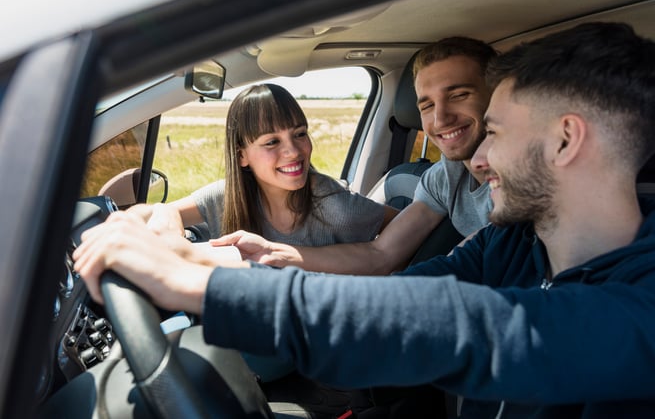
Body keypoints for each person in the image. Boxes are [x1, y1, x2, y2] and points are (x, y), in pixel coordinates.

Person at [73, 21, 655, 417]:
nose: (475, 158)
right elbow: (402, 299)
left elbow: (471, 327)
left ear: (564, 140)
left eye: (494, 133)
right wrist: (203, 260)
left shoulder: (643, 303)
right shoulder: (510, 244)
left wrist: (200, 284)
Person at [134, 83, 398, 383]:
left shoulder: (334, 206)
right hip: (256, 340)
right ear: (242, 155)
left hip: (317, 355)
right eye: (272, 142)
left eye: (299, 133)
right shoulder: (228, 196)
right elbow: (146, 211)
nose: (294, 151)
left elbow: (400, 229)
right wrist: (166, 221)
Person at [212, 37, 497, 274]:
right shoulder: (445, 177)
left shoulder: (526, 178)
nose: (441, 118)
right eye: (426, 106)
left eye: (459, 95)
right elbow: (380, 253)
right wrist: (273, 252)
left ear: (499, 94)